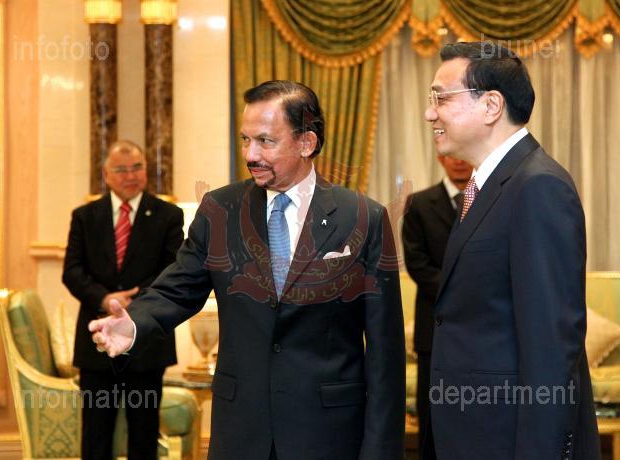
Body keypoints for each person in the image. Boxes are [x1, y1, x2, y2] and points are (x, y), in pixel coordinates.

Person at [89, 80, 406, 460]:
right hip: (241, 432)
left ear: (307, 142)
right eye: (245, 140)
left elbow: (385, 352)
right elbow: (178, 287)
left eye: (265, 141)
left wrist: (381, 451)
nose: (250, 154)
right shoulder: (220, 211)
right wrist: (135, 323)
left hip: (328, 434)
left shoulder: (363, 218)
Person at [423, 41, 600, 459]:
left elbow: (550, 350)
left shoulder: (538, 186)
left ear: (491, 106)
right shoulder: (488, 185)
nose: (430, 113)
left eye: (441, 98)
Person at [62, 140, 184, 460]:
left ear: (146, 170)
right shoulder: (85, 216)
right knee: (96, 435)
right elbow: (72, 271)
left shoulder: (168, 215)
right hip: (97, 341)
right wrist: (105, 299)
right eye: (121, 169)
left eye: (137, 167)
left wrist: (134, 303)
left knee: (143, 433)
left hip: (146, 341)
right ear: (106, 174)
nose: (130, 175)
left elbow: (172, 269)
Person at [402, 154, 472, 458]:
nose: (458, 161)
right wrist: (464, 291)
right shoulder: (419, 204)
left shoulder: (490, 199)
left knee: (474, 414)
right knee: (433, 415)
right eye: (451, 156)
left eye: (462, 155)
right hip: (434, 328)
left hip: (479, 327)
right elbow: (417, 264)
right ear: (440, 157)